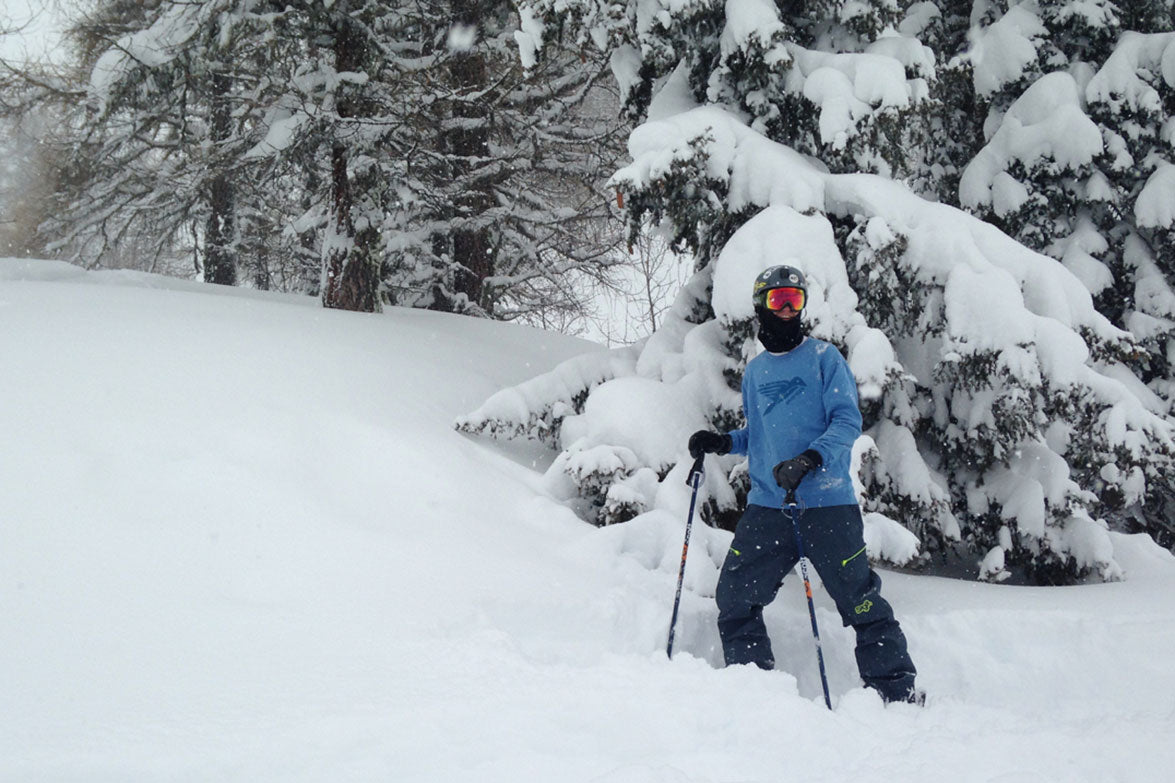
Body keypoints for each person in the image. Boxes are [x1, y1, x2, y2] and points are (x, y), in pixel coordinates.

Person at [688, 264, 921, 705]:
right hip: (768, 509)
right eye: (779, 300)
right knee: (735, 597)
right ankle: (753, 690)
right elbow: (759, 434)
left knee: (861, 603)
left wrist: (811, 459)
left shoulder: (823, 358)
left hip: (828, 505)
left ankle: (897, 695)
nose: (789, 309)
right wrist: (722, 441)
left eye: (796, 299)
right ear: (761, 306)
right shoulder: (756, 371)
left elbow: (847, 419)